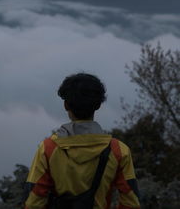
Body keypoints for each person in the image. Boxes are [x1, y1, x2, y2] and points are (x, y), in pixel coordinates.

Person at [24, 73, 140, 209]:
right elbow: (131, 202)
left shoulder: (48, 149)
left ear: (66, 105)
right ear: (98, 105)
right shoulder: (119, 150)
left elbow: (33, 201)